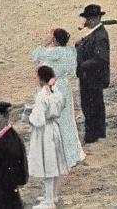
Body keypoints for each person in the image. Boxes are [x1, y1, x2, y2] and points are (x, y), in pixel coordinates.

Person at [32, 29, 85, 168]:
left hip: (53, 89)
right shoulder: (69, 52)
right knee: (67, 122)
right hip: (64, 87)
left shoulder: (51, 52)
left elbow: (36, 55)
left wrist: (46, 42)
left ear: (55, 39)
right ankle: (72, 154)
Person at [27, 65, 68, 209]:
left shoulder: (41, 95)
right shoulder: (56, 91)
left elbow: (38, 120)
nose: (35, 79)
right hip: (54, 128)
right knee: (55, 164)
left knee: (48, 166)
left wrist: (29, 117)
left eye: (36, 76)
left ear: (41, 79)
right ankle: (52, 195)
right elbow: (61, 105)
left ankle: (49, 202)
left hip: (45, 133)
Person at [74, 4, 110, 144]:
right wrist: (81, 44)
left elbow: (100, 59)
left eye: (88, 18)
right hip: (93, 77)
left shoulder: (100, 35)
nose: (86, 21)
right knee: (96, 104)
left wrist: (82, 65)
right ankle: (99, 132)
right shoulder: (95, 32)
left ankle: (92, 135)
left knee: (90, 106)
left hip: (92, 77)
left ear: (96, 19)